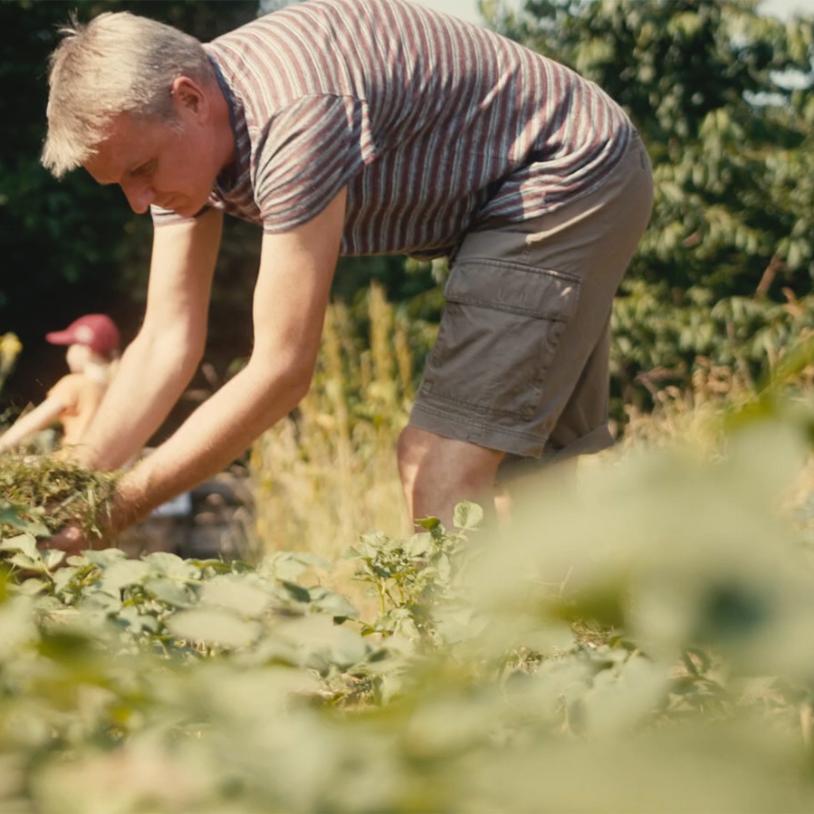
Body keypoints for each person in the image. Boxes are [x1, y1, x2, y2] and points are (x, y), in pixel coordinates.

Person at [40, 0, 653, 549]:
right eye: (120, 181)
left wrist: (114, 509)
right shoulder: (184, 146)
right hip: (519, 191)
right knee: (528, 475)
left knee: (436, 463)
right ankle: (562, 653)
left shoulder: (294, 114)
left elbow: (282, 370)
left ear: (190, 99)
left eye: (141, 170)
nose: (138, 202)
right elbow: (166, 342)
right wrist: (62, 492)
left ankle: (471, 669)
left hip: (563, 173)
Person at [0, 314, 120, 454]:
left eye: (71, 346)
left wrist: (3, 444)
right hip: (105, 466)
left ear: (86, 350)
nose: (68, 352)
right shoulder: (115, 388)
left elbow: (33, 422)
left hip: (74, 464)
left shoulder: (74, 384)